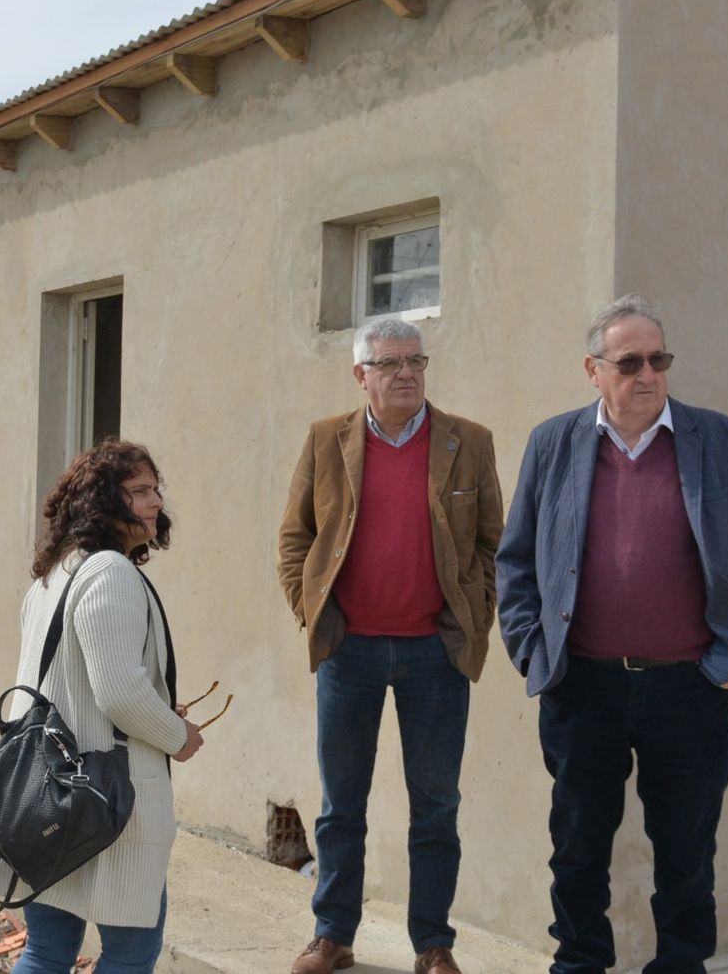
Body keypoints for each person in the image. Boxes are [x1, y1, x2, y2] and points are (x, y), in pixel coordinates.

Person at [496, 294, 728, 974]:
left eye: (659, 359)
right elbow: (515, 561)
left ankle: (681, 963)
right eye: (630, 362)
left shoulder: (722, 441)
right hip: (583, 684)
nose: (648, 373)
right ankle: (579, 960)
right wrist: (531, 649)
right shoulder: (554, 443)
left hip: (688, 685)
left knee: (686, 849)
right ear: (593, 369)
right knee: (577, 843)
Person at [277, 318, 502, 974]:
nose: (406, 372)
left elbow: (492, 542)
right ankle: (333, 935)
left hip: (437, 652)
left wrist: (476, 610)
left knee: (436, 806)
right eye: (390, 362)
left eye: (416, 360)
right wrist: (312, 608)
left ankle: (433, 942)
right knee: (340, 804)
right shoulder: (326, 441)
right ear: (362, 374)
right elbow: (296, 538)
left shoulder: (468, 441)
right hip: (350, 652)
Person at [10, 438, 204, 974]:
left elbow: (53, 684)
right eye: (140, 491)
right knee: (130, 954)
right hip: (111, 799)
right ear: (103, 501)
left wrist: (156, 705)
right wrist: (177, 734)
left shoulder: (52, 576)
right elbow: (119, 692)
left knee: (45, 952)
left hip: (48, 800)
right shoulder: (110, 573)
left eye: (155, 490)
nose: (156, 502)